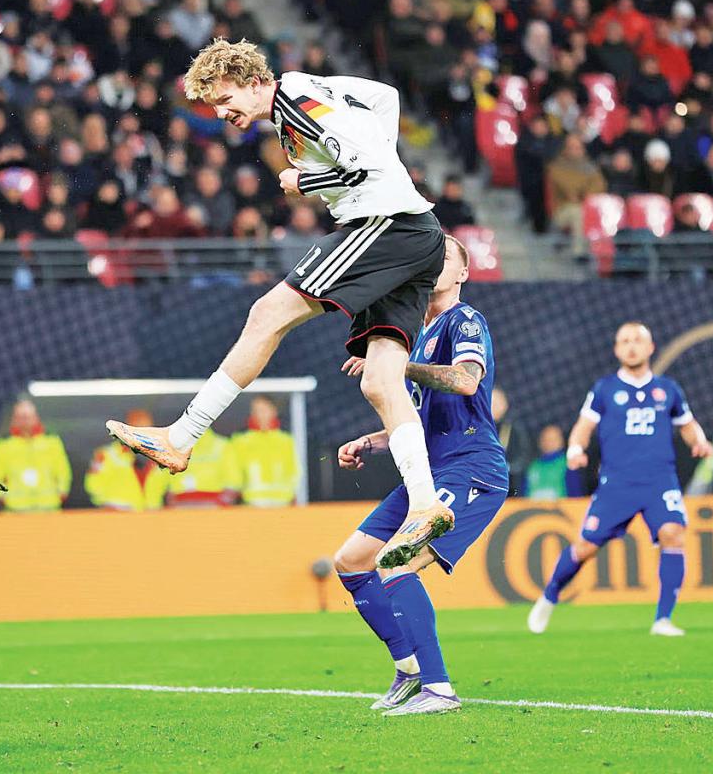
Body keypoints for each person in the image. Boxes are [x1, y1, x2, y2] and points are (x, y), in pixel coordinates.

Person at [107, 39, 453, 562]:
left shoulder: (295, 101)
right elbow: (385, 97)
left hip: (386, 226)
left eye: (225, 99)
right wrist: (381, 158)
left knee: (267, 313)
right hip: (415, 232)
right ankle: (425, 504)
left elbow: (360, 169)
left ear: (253, 82)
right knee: (382, 382)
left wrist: (304, 180)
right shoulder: (308, 89)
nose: (221, 114)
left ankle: (182, 436)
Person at [333, 235, 509, 715]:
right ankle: (409, 669)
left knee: (395, 561)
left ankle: (439, 689)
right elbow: (414, 419)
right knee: (351, 562)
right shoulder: (418, 334)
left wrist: (398, 367)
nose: (436, 262)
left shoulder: (464, 320)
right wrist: (373, 441)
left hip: (472, 468)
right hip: (428, 475)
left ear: (463, 273)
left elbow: (466, 380)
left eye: (446, 256)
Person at [528, 323, 713, 637]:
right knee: (585, 547)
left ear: (650, 347)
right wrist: (575, 449)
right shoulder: (605, 389)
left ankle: (663, 619)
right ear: (616, 350)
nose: (631, 346)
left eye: (637, 340)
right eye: (625, 341)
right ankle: (550, 595)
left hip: (659, 481)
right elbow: (583, 426)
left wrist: (700, 441)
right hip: (617, 484)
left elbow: (687, 424)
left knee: (673, 533)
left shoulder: (667, 389)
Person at [0, 399, 72, 512]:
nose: (24, 421)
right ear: (14, 419)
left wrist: (61, 491)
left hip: (49, 508)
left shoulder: (52, 441)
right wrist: (4, 494)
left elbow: (63, 472)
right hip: (14, 510)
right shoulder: (3, 444)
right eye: (21, 417)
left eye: (27, 417)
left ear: (36, 418)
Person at [85, 409, 168, 511]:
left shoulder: (161, 456)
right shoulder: (107, 454)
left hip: (151, 514)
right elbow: (92, 484)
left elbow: (168, 486)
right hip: (117, 513)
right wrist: (106, 504)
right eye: (138, 428)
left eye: (147, 429)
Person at [230, 396, 300, 507]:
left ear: (274, 411)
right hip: (252, 504)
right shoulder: (240, 441)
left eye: (263, 410)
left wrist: (293, 496)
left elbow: (294, 472)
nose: (259, 415)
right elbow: (234, 475)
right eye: (256, 411)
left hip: (283, 503)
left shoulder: (286, 441)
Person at [525, 424, 584, 500]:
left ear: (561, 442)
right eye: (545, 439)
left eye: (553, 439)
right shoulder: (533, 466)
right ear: (540, 442)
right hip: (532, 507)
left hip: (562, 507)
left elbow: (576, 495)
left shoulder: (568, 464)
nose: (549, 443)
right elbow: (523, 495)